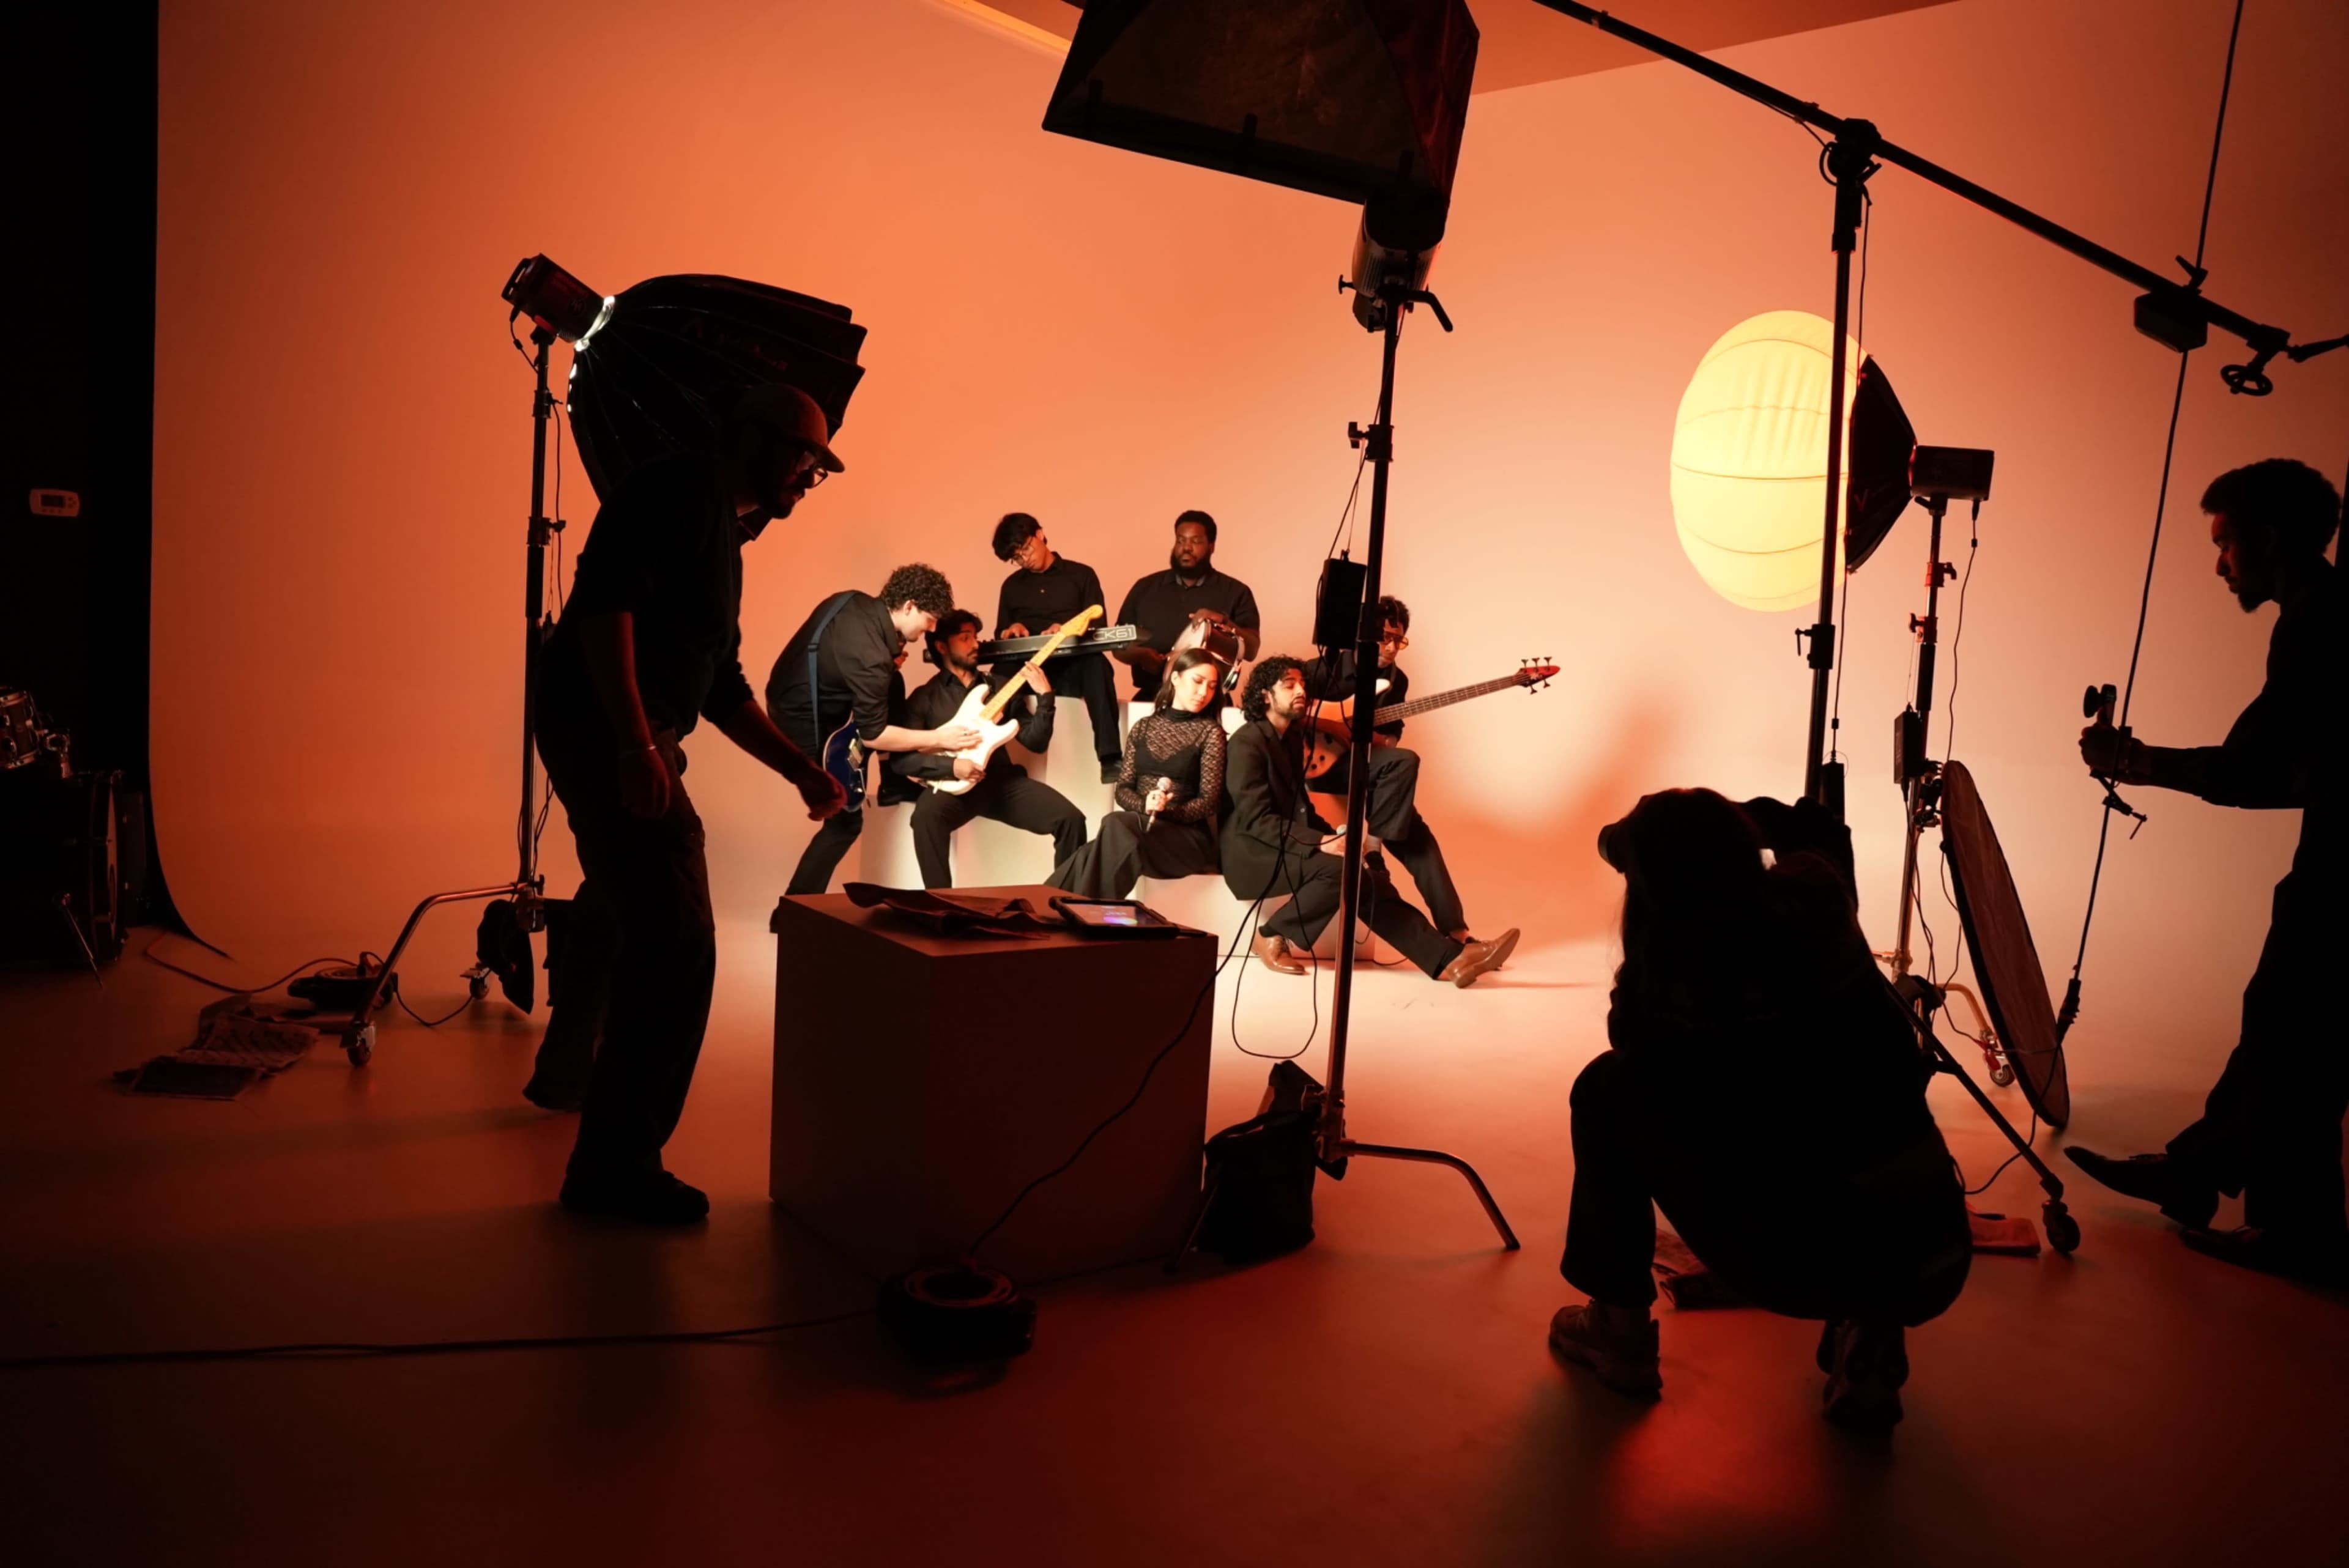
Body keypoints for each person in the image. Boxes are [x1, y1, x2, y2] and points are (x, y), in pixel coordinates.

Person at [1548, 788, 1972, 1430]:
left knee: (1608, 1088)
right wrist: (1738, 821)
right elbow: (1818, 829)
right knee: (1853, 1132)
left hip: (1782, 1261)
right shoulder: (1821, 897)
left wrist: (1650, 849)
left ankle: (1619, 1331)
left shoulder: (1662, 984)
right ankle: (1871, 1323)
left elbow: (1637, 1050)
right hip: (1930, 1247)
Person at [527, 382, 848, 1223]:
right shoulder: (679, 489)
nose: (808, 478)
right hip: (608, 728)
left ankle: (571, 1078)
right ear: (747, 433)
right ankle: (614, 1168)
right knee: (676, 944)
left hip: (624, 730)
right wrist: (635, 743)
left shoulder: (722, 530)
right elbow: (606, 607)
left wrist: (799, 770)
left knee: (628, 909)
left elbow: (721, 681)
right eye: (800, 455)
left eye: (818, 465)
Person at [2065, 457, 2347, 1283]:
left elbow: (2251, 771)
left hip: (2342, 865)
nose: (2218, 563)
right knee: (2297, 1032)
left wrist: (2140, 761)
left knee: (2295, 1031)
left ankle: (2290, 1234)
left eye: (2225, 544)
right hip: (2335, 853)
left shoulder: (2314, 622)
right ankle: (2211, 1182)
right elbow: (2286, 777)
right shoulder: (2328, 613)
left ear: (2266, 539)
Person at [1221, 656, 1514, 985]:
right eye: (1289, 685)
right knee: (1342, 874)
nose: (1301, 690)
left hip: (1281, 840)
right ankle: (1271, 934)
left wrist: (1335, 837)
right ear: (1265, 696)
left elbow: (1300, 807)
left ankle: (1450, 960)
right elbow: (1255, 819)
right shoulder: (1247, 742)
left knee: (1367, 879)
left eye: (1303, 684)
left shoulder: (1290, 739)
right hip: (1252, 851)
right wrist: (1320, 842)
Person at [1301, 594, 1498, 946]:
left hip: (1367, 769)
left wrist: (1372, 735)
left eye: (1399, 639)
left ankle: (1457, 933)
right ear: (1364, 635)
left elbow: (1391, 740)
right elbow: (1288, 713)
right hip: (1318, 767)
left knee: (1418, 835)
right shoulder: (1323, 667)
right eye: (1385, 638)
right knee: (1407, 763)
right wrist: (1337, 726)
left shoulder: (1397, 680)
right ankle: (1374, 849)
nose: (1392, 647)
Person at [766, 564, 974, 896]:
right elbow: (874, 734)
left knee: (895, 680)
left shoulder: (852, 601)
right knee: (845, 821)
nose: (932, 627)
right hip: (801, 719)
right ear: (909, 606)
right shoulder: (872, 657)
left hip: (798, 693)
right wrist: (939, 737)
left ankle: (893, 781)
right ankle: (791, 911)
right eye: (930, 618)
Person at [890, 609, 1088, 887]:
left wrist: (1045, 698)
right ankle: (941, 906)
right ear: (942, 646)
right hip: (955, 786)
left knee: (1072, 820)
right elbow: (901, 761)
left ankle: (1064, 900)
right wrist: (952, 767)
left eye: (976, 637)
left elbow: (1036, 742)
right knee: (925, 818)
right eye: (965, 638)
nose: (975, 645)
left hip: (1001, 783)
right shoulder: (925, 698)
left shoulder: (1000, 687)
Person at [1048, 649, 1229, 898]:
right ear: (1175, 679)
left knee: (1115, 825)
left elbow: (1209, 802)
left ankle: (1049, 906)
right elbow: (1123, 790)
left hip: (1186, 841)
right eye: (1197, 682)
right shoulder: (1144, 727)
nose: (1204, 693)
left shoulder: (1211, 733)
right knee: (1103, 844)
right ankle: (1063, 908)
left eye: (1211, 687)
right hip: (1139, 832)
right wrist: (1145, 805)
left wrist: (1168, 809)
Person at [993, 513, 1122, 783]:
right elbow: (1000, 633)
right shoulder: (1011, 586)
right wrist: (1012, 630)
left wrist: (1064, 630)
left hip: (1072, 667)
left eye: (1026, 549)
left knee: (1098, 666)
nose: (1024, 560)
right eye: (1016, 558)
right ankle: (995, 762)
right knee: (998, 674)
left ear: (1040, 534)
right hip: (1030, 668)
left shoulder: (1081, 575)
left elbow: (1099, 623)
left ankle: (1110, 758)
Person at [1115, 509, 1261, 703]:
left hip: (1210, 701)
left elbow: (1251, 650)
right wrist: (1141, 655)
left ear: (1212, 546)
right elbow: (1118, 646)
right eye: (1181, 540)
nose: (1186, 548)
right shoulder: (1145, 588)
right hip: (1152, 697)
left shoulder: (1235, 591)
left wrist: (1224, 621)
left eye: (1195, 541)